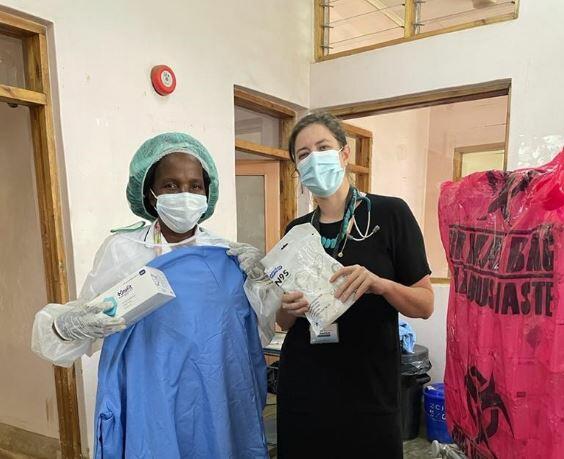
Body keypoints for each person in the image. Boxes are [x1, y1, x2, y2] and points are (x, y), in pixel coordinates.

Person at [32, 132, 279, 458]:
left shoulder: (228, 256)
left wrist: (261, 286)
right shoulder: (125, 252)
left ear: (208, 193)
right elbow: (77, 332)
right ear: (150, 194)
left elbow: (257, 332)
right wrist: (67, 326)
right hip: (150, 401)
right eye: (171, 185)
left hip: (214, 402)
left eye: (194, 186)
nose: (184, 194)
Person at [275, 113, 434, 458]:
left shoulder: (390, 215)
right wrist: (287, 307)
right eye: (303, 154)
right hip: (305, 386)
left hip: (368, 390)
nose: (313, 158)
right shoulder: (297, 229)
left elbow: (424, 304)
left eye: (323, 147)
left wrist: (381, 285)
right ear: (296, 169)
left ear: (345, 155)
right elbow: (282, 321)